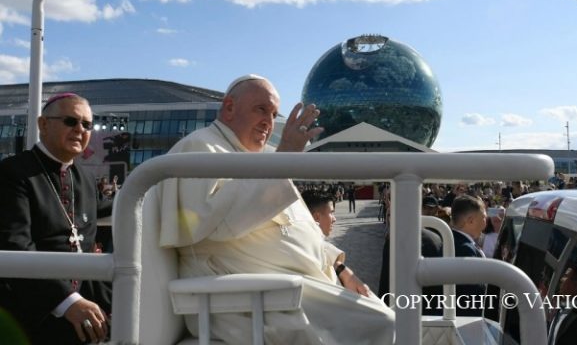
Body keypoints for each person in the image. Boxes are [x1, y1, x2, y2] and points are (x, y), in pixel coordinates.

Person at [157, 75, 394, 345]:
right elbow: (216, 222)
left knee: (388, 317)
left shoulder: (259, 159)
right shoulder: (199, 147)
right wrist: (283, 158)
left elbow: (298, 226)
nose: (268, 122)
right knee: (383, 324)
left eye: (272, 114)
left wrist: (340, 268)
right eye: (261, 109)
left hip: (296, 289)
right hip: (255, 303)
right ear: (230, 107)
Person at [0, 93, 112, 344]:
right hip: (33, 310)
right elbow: (15, 246)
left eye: (87, 125)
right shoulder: (12, 173)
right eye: (71, 121)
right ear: (43, 124)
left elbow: (110, 208)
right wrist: (67, 302)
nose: (80, 130)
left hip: (83, 304)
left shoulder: (83, 177)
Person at [450, 194, 487, 316]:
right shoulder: (466, 250)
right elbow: (473, 297)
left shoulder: (450, 241)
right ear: (470, 220)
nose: (485, 224)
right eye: (484, 218)